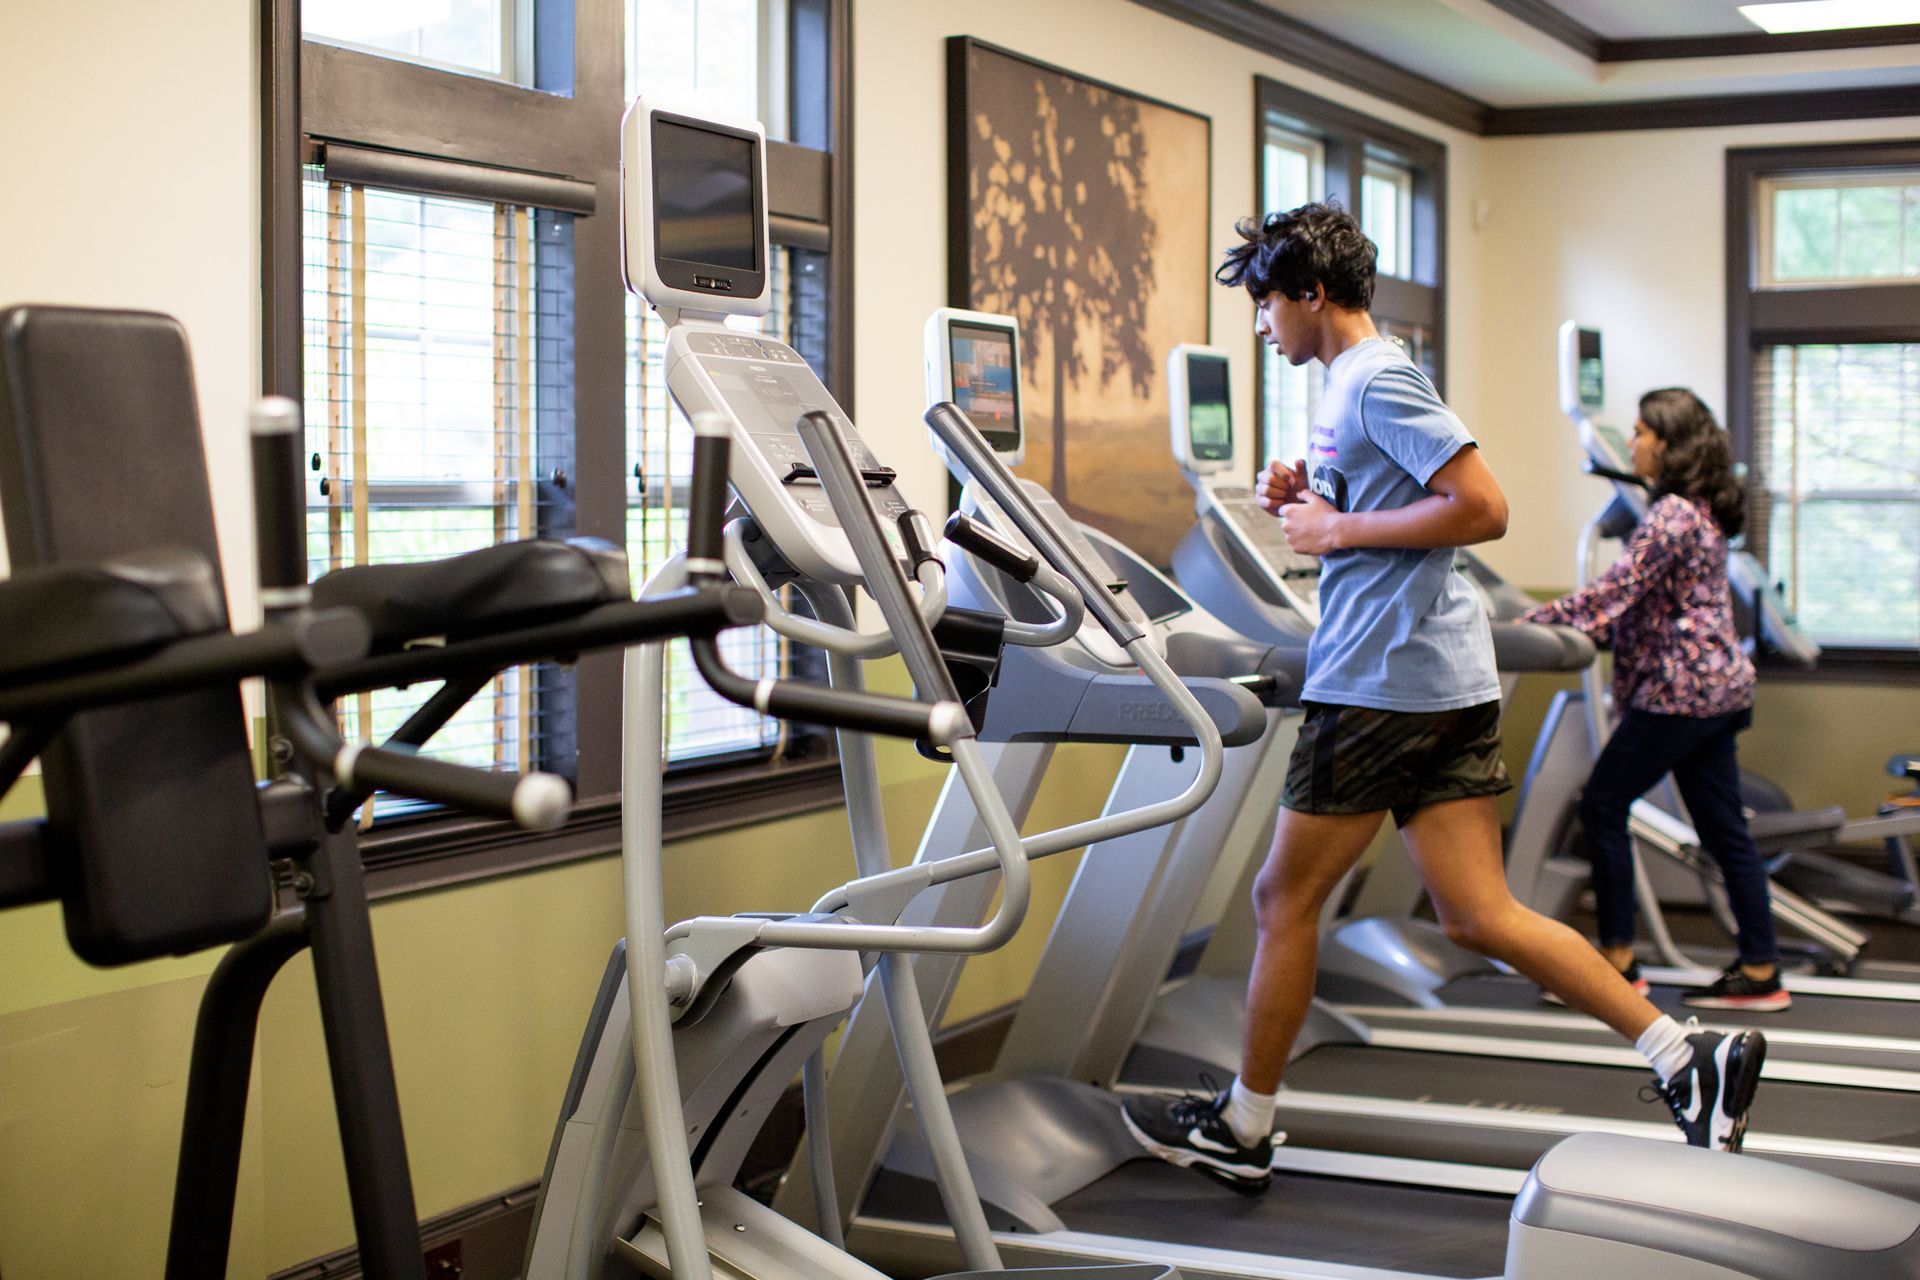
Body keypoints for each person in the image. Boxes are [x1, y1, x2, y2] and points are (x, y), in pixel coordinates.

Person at [1120, 203, 1765, 1194]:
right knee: (1479, 912)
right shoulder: (1345, 384)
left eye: (1265, 302)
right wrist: (1310, 490)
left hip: (1381, 682)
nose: (1258, 324)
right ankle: (1684, 1057)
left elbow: (1483, 504)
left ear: (1313, 293)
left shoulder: (1378, 375)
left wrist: (1338, 535)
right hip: (1439, 681)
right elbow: (1381, 498)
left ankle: (1246, 1124)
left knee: (1281, 897)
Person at [1521, 388, 1787, 1012]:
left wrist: (1526, 619)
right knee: (1725, 830)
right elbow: (1653, 608)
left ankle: (1617, 961)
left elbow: (1614, 592)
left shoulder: (1669, 516)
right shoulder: (1699, 512)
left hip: (1680, 695)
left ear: (1667, 445)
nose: (1633, 442)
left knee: (1604, 806)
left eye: (1641, 432)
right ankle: (1761, 967)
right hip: (1717, 690)